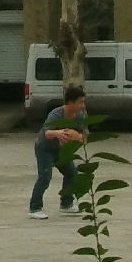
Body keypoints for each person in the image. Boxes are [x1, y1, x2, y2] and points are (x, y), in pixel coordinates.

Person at [29, 85, 87, 220]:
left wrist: (77, 138)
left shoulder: (79, 116)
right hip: (45, 148)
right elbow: (47, 133)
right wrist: (59, 133)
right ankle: (34, 207)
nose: (83, 106)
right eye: (80, 102)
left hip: (61, 150)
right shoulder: (56, 114)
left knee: (72, 173)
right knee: (45, 177)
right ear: (71, 103)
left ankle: (66, 204)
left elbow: (82, 136)